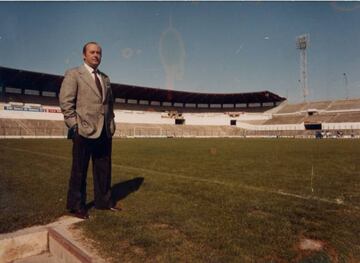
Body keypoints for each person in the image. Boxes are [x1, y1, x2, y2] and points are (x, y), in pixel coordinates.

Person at [59, 42, 119, 219]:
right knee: (79, 170)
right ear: (84, 55)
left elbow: (109, 104)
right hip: (83, 130)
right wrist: (74, 125)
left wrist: (112, 123)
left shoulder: (105, 78)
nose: (96, 55)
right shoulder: (74, 74)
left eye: (99, 53)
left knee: (104, 169)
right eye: (92, 52)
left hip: (104, 131)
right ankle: (76, 206)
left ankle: (103, 202)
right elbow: (65, 101)